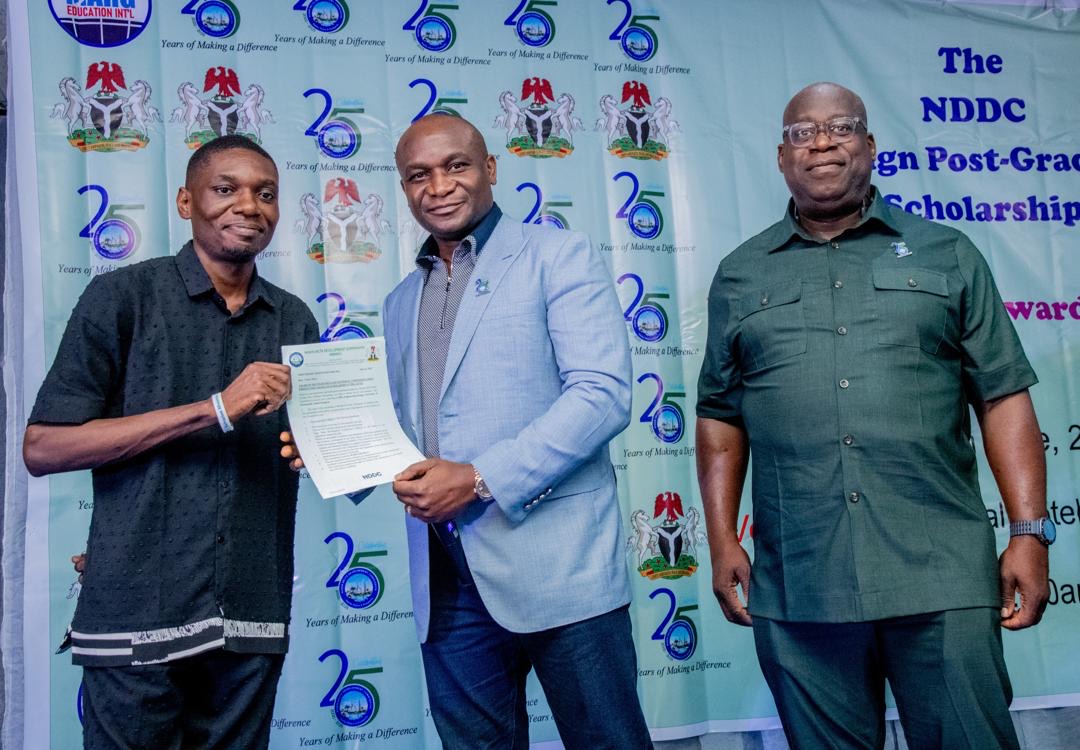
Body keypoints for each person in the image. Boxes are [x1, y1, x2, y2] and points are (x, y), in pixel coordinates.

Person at [695, 82, 1050, 750]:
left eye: (841, 126)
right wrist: (721, 541)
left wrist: (1029, 533)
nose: (822, 142)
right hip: (801, 581)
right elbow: (719, 417)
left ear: (870, 144)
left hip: (942, 572)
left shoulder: (948, 252)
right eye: (802, 132)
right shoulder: (740, 274)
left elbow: (1003, 397)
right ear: (781, 157)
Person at [285, 113, 651, 749]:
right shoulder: (402, 300)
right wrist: (331, 450)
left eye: (455, 166)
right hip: (447, 580)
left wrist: (481, 478)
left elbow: (602, 396)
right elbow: (406, 431)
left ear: (491, 169)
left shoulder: (558, 255)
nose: (438, 186)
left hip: (560, 568)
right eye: (418, 175)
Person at [24, 135, 319, 749]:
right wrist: (215, 409)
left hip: (250, 611)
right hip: (136, 612)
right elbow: (45, 447)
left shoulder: (294, 319)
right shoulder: (121, 297)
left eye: (266, 194)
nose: (249, 206)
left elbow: (309, 448)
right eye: (225, 189)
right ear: (186, 202)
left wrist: (325, 452)